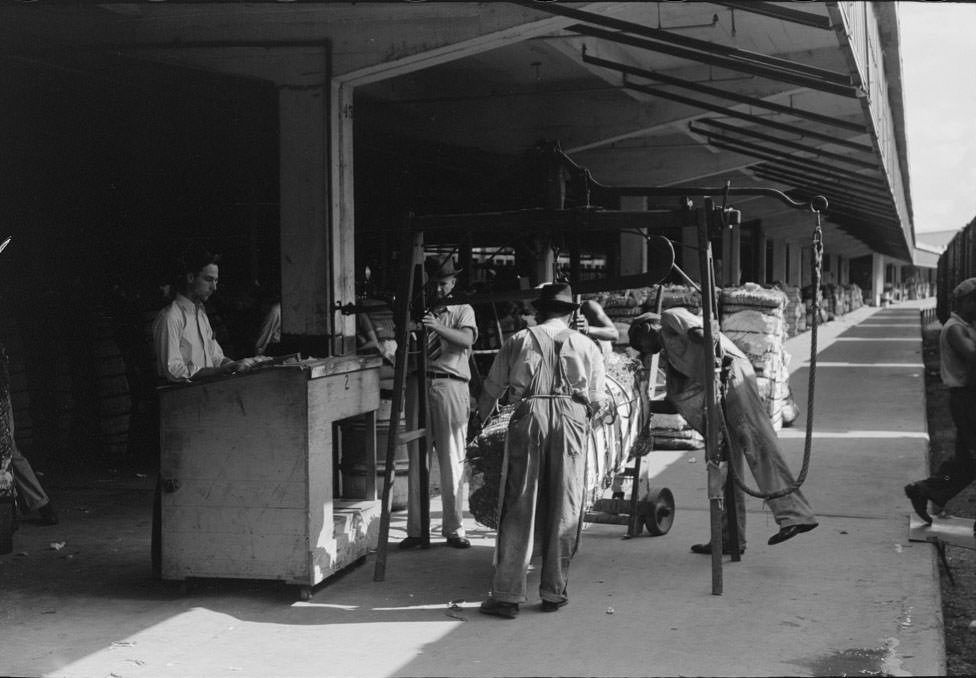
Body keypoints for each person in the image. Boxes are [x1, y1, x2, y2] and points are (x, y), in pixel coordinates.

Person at [628, 306, 817, 554]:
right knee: (725, 469)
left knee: (758, 445)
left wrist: (714, 362)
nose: (644, 350)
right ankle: (730, 539)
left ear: (647, 328)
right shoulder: (670, 355)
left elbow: (702, 334)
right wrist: (642, 405)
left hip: (732, 376)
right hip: (718, 392)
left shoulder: (670, 318)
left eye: (641, 343)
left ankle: (796, 515)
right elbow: (676, 400)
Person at [476, 282, 605, 619]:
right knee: (566, 504)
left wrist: (479, 426)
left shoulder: (519, 340)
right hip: (571, 419)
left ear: (539, 311)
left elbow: (491, 389)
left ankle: (506, 595)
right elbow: (597, 400)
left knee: (519, 501)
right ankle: (553, 592)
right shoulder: (586, 344)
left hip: (529, 416)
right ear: (570, 314)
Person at [399, 256, 478, 550]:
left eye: (444, 284)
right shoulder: (418, 310)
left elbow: (466, 341)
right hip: (419, 381)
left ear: (453, 282)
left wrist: (435, 326)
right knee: (417, 459)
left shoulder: (461, 309)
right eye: (434, 285)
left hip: (449, 384)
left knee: (452, 458)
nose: (439, 290)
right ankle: (417, 530)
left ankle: (454, 528)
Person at [905, 278, 976, 523]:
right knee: (970, 456)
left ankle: (925, 490)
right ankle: (928, 490)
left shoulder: (966, 325)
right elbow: (973, 354)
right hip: (966, 399)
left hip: (969, 398)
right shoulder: (955, 328)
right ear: (966, 301)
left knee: (966, 459)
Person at [152, 247, 256, 383]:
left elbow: (216, 358)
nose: (214, 287)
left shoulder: (200, 314)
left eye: (216, 281)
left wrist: (239, 365)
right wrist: (221, 370)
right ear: (190, 277)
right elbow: (174, 371)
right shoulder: (170, 317)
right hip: (184, 398)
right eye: (208, 280)